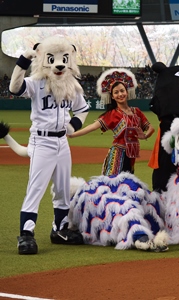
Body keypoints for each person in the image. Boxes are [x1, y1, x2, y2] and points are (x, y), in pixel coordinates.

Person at [8, 36, 89, 254]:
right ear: (44, 59)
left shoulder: (71, 84)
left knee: (63, 188)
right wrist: (24, 59)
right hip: (41, 140)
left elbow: (83, 109)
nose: (59, 64)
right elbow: (15, 88)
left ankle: (59, 229)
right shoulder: (36, 83)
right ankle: (26, 234)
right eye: (52, 59)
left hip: (62, 141)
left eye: (64, 58)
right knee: (36, 189)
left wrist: (72, 125)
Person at [69, 68, 155, 175]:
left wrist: (145, 136)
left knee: (127, 184)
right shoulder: (112, 114)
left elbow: (151, 128)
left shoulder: (136, 111)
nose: (120, 94)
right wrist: (72, 135)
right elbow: (92, 127)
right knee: (113, 184)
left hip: (132, 154)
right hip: (118, 154)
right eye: (116, 92)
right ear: (112, 96)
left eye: (122, 91)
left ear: (127, 92)